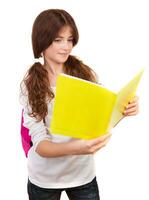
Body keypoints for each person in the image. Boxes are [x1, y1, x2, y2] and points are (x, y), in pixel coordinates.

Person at [19, 9, 139, 200]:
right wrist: (78, 147)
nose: (66, 46)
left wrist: (122, 110)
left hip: (82, 175)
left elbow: (99, 121)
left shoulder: (85, 75)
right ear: (41, 41)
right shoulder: (30, 84)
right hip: (44, 178)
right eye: (58, 40)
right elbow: (39, 144)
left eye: (70, 39)